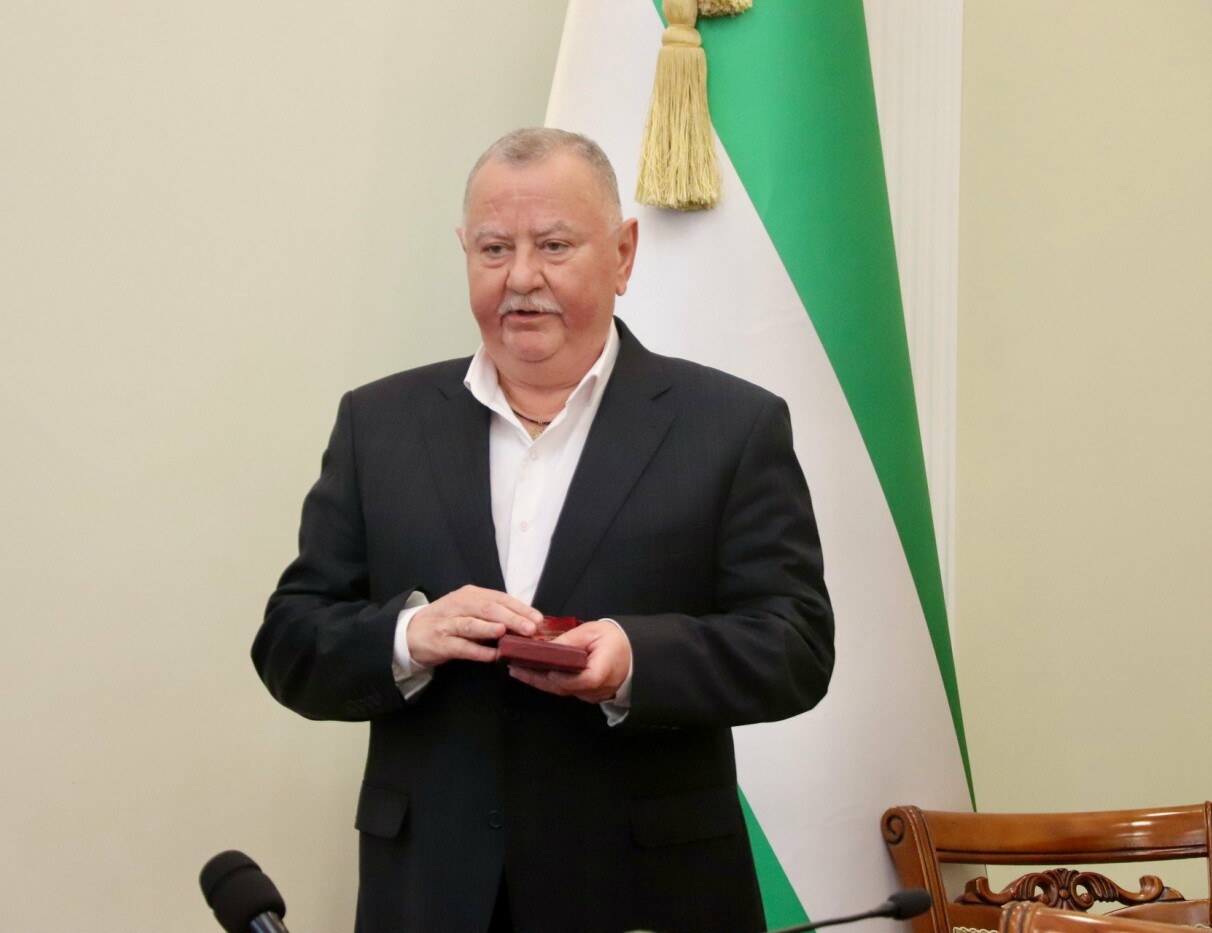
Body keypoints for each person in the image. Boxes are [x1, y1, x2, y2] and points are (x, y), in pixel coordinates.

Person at [252, 128, 835, 933]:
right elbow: (289, 641)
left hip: (644, 891)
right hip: (431, 893)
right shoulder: (377, 424)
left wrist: (635, 659)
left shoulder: (730, 427)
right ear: (465, 252)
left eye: (554, 246)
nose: (521, 277)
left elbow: (796, 645)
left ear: (623, 255)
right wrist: (409, 635)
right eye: (494, 248)